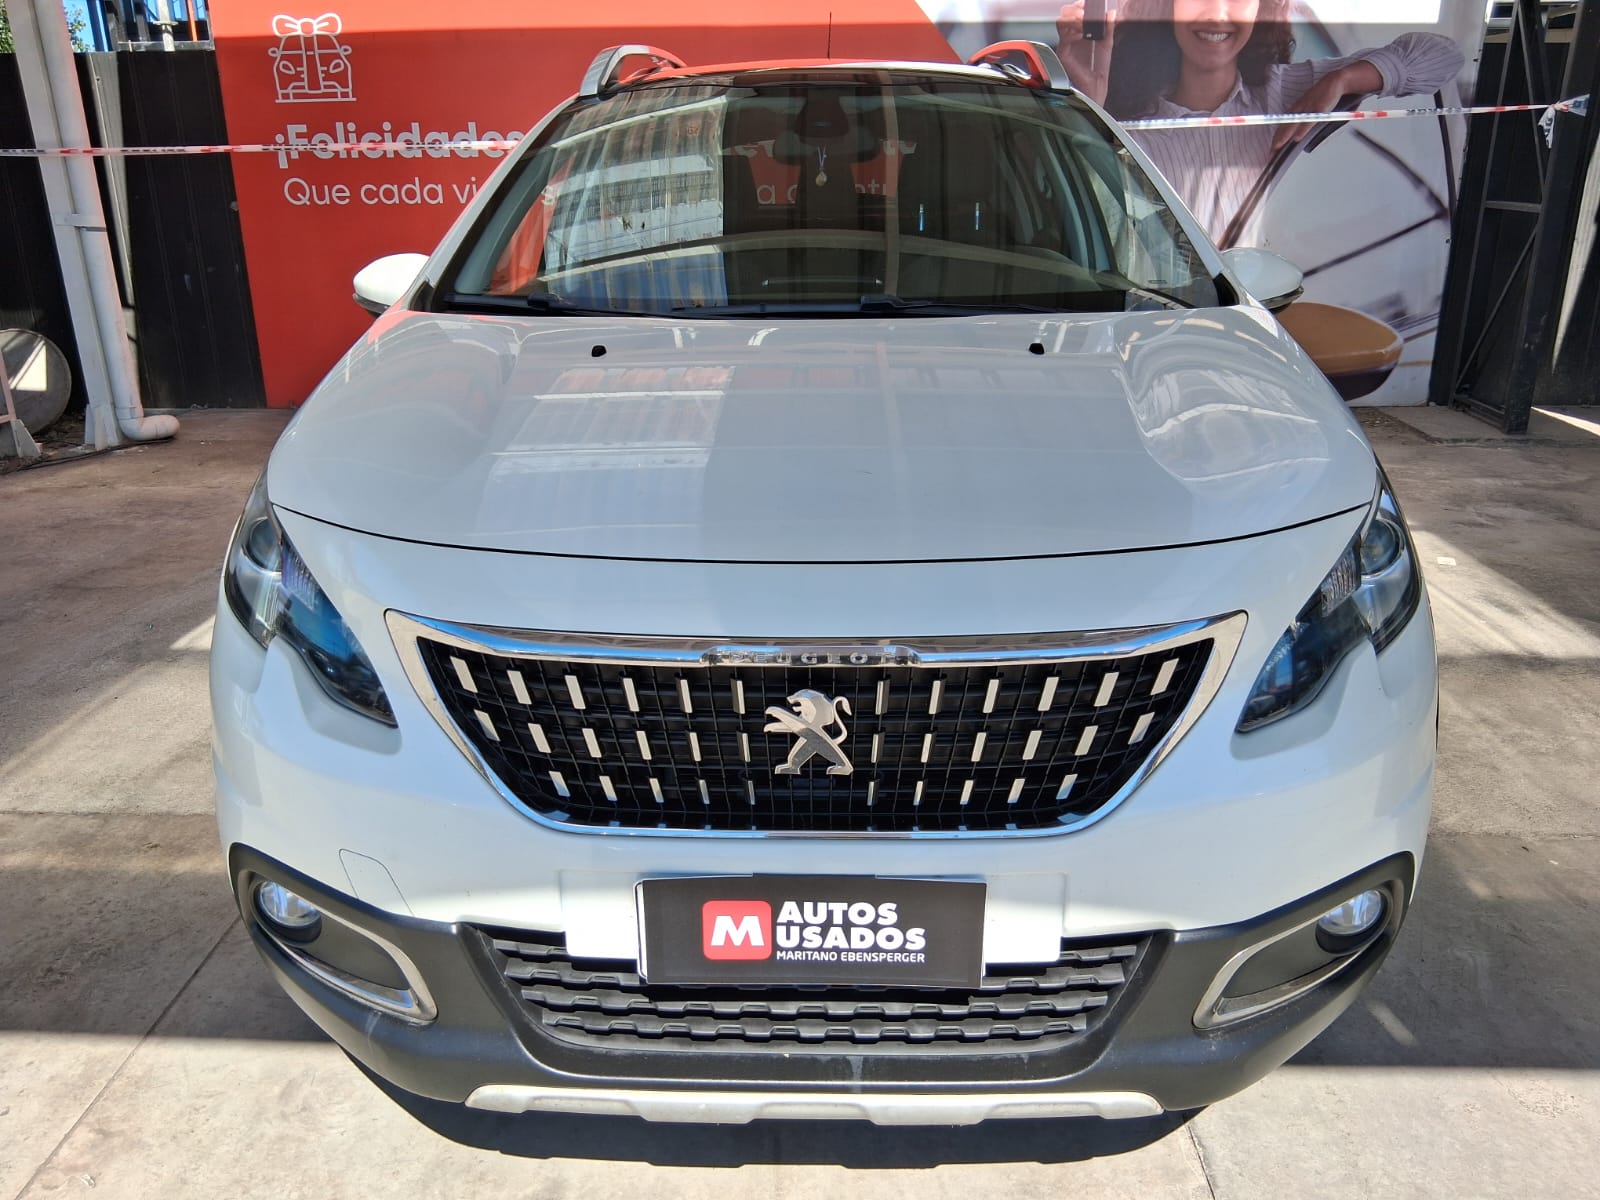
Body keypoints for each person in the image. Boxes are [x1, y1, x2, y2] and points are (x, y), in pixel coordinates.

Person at [1056, 0, 1465, 245]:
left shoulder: (1286, 92)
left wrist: (1341, 81)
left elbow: (1445, 56)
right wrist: (1087, 100)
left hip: (1263, 316)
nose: (1217, 14)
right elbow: (1088, 225)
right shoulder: (1118, 111)